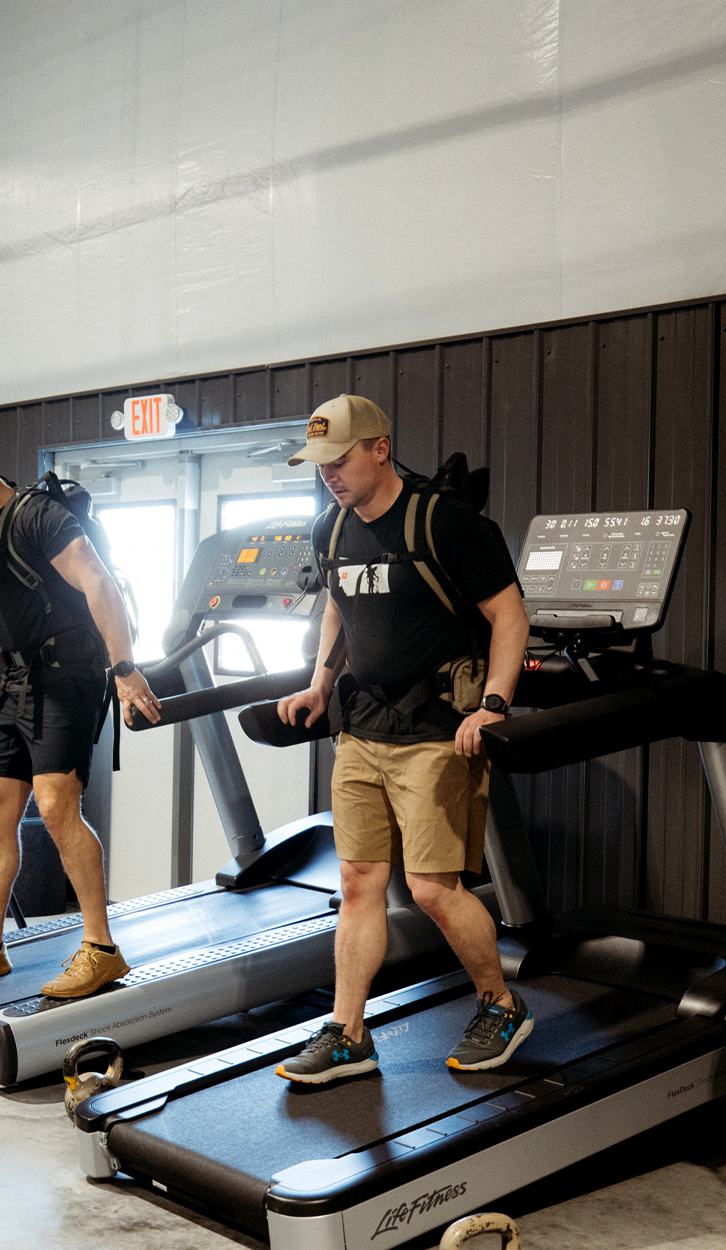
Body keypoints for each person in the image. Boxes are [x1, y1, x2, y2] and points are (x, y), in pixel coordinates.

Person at [274, 393, 532, 1084]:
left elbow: (508, 614)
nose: (328, 473)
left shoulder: (444, 522)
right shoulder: (332, 528)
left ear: (380, 448)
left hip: (434, 732)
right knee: (358, 883)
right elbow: (339, 605)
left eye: (339, 458)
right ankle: (348, 1033)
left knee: (431, 888)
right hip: (362, 729)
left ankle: (501, 1005)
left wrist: (495, 705)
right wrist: (318, 684)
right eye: (319, 463)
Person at [0, 435, 161, 998]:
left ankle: (100, 948)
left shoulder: (37, 516)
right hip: (16, 681)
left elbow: (97, 580)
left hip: (67, 674)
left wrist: (123, 668)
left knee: (54, 803)